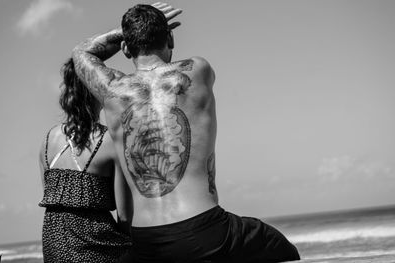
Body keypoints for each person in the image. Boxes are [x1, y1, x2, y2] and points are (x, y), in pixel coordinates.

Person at [72, 3, 300, 262]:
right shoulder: (199, 69)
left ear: (125, 48)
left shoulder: (111, 90)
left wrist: (123, 33)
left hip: (146, 242)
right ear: (169, 37)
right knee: (282, 250)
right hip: (206, 231)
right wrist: (148, 31)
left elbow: (81, 52)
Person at [38, 58, 133, 262]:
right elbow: (125, 216)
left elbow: (52, 200)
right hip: (98, 247)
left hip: (54, 247)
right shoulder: (110, 141)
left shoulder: (47, 141)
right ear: (95, 90)